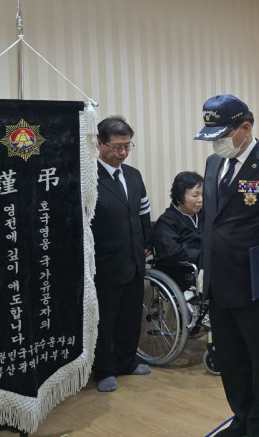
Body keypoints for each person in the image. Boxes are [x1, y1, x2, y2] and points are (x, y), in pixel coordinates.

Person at [194, 94, 259, 437]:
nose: (217, 143)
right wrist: (204, 265)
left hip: (254, 281)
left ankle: (258, 425)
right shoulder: (213, 164)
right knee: (230, 357)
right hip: (218, 280)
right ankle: (240, 417)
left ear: (245, 128)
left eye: (222, 135)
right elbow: (210, 221)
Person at [91, 116, 153, 392]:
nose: (123, 152)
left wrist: (147, 242)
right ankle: (104, 369)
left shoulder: (133, 175)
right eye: (117, 147)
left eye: (127, 146)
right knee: (105, 321)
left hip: (134, 260)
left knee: (130, 317)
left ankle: (127, 362)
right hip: (105, 263)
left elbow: (143, 212)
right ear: (99, 143)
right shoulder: (89, 178)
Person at [153, 171, 204, 289]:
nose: (200, 200)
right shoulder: (166, 221)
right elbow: (171, 251)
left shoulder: (202, 216)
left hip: (205, 266)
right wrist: (201, 256)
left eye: (202, 195)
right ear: (179, 197)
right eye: (195, 195)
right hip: (183, 271)